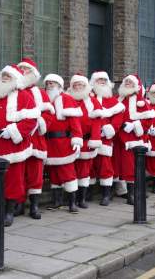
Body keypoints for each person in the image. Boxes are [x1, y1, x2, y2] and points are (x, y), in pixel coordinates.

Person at [0, 64, 38, 226]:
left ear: (16, 79)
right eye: (3, 75)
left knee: (13, 180)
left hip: (12, 146)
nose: (5, 78)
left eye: (8, 76)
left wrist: (14, 131)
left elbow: (31, 120)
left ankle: (9, 211)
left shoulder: (24, 96)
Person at [15, 58, 54, 219]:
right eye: (21, 69)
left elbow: (49, 115)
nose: (24, 72)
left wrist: (38, 123)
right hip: (19, 138)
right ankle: (18, 203)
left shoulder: (41, 93)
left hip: (36, 138)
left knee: (35, 174)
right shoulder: (13, 91)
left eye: (27, 69)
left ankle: (34, 204)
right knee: (18, 173)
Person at [43, 74, 83, 213]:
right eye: (48, 83)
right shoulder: (45, 100)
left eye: (53, 83)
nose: (49, 86)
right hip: (49, 143)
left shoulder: (67, 99)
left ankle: (72, 202)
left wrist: (77, 139)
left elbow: (75, 123)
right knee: (54, 174)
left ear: (60, 86)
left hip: (64, 143)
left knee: (68, 173)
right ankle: (57, 201)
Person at [115, 74, 154, 204]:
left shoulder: (140, 100)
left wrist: (134, 125)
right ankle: (122, 191)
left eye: (130, 83)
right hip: (118, 137)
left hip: (133, 138)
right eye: (126, 82)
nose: (127, 84)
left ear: (136, 86)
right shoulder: (118, 99)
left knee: (131, 166)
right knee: (118, 164)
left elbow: (148, 120)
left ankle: (133, 193)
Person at [66, 74, 103, 207]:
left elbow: (97, 123)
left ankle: (81, 198)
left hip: (86, 141)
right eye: (75, 85)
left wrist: (94, 139)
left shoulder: (93, 102)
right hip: (69, 141)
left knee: (84, 170)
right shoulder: (67, 99)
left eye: (81, 85)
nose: (78, 87)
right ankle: (71, 198)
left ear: (86, 86)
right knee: (70, 169)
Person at [88, 71, 124, 203]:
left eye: (104, 80)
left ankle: (106, 194)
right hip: (89, 136)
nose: (102, 82)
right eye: (99, 80)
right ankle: (88, 192)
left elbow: (118, 118)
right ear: (93, 82)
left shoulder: (113, 101)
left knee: (105, 164)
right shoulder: (87, 97)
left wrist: (110, 129)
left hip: (105, 137)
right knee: (88, 164)